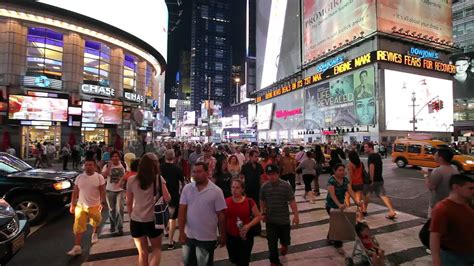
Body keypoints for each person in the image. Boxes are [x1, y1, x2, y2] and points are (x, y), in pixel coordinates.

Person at [126, 153, 171, 266]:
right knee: (156, 250)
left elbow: (129, 201)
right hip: (153, 220)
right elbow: (167, 198)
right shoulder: (158, 179)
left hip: (136, 220)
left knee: (142, 252)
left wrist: (132, 216)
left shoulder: (131, 179)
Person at [179, 162, 227, 266]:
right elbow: (182, 210)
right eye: (194, 172)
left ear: (207, 172)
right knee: (188, 263)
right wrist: (181, 232)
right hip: (189, 236)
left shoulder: (216, 191)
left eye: (199, 171)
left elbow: (221, 215)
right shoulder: (187, 188)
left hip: (207, 237)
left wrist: (223, 235)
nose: (196, 174)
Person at [430, 174, 474, 266]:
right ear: (456, 187)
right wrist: (436, 261)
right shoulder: (442, 208)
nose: (473, 191)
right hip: (453, 257)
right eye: (470, 188)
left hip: (468, 253)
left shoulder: (467, 203)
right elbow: (435, 236)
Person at [260, 164, 299, 266]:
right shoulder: (264, 187)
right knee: (271, 243)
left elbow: (292, 201)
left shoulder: (286, 186)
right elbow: (262, 201)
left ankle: (284, 245)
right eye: (269, 174)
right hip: (270, 220)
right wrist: (263, 213)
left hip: (283, 220)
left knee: (285, 240)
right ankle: (274, 261)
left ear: (278, 174)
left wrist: (296, 215)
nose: (271, 177)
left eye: (273, 174)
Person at [67, 157, 106, 256]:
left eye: (90, 165)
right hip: (81, 206)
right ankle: (77, 247)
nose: (88, 167)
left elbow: (102, 191)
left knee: (96, 221)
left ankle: (94, 234)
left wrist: (102, 202)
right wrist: (72, 204)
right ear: (84, 166)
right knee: (79, 226)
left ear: (94, 166)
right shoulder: (79, 177)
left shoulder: (99, 177)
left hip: (95, 205)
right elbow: (75, 192)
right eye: (86, 165)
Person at [326, 164, 362, 254]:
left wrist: (356, 201)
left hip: (341, 205)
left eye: (343, 170)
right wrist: (338, 205)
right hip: (331, 205)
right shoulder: (331, 180)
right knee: (338, 224)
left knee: (336, 223)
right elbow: (332, 195)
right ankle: (338, 245)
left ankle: (330, 237)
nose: (342, 172)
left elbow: (350, 191)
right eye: (339, 170)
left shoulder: (345, 180)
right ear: (334, 171)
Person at [225, 178, 262, 266]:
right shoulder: (226, 201)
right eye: (233, 187)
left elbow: (258, 216)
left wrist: (248, 225)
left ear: (242, 189)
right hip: (231, 237)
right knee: (233, 259)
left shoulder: (249, 201)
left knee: (243, 261)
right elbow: (222, 218)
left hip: (246, 237)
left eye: (237, 188)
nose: (234, 190)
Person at [363, 142, 397, 219]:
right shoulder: (377, 155)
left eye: (366, 147)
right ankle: (391, 211)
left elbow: (372, 168)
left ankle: (364, 210)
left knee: (367, 194)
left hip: (373, 179)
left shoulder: (371, 156)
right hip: (379, 179)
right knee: (383, 195)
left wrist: (371, 180)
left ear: (370, 148)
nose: (364, 148)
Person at [160, 149, 185, 250]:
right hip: (174, 195)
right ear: (174, 157)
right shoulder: (177, 168)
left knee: (163, 214)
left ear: (165, 157)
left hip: (161, 195)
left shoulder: (159, 168)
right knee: (172, 218)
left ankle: (165, 231)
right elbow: (182, 182)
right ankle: (170, 242)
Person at [423, 148, 459, 216]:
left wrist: (426, 175)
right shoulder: (454, 167)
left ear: (440, 158)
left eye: (435, 155)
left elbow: (431, 187)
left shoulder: (438, 171)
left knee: (434, 223)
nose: (434, 156)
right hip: (451, 202)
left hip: (438, 204)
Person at [102, 151, 126, 235]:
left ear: (119, 157)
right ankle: (112, 225)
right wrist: (109, 167)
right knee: (112, 210)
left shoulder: (124, 164)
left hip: (121, 190)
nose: (115, 158)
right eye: (113, 156)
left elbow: (127, 175)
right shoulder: (107, 165)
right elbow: (104, 175)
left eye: (117, 156)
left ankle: (120, 227)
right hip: (110, 190)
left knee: (120, 209)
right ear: (111, 157)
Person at [346, 151, 366, 220]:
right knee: (358, 199)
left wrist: (350, 185)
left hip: (353, 183)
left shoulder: (350, 164)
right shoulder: (360, 163)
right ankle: (361, 211)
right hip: (360, 183)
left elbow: (350, 176)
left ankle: (349, 210)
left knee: (347, 197)